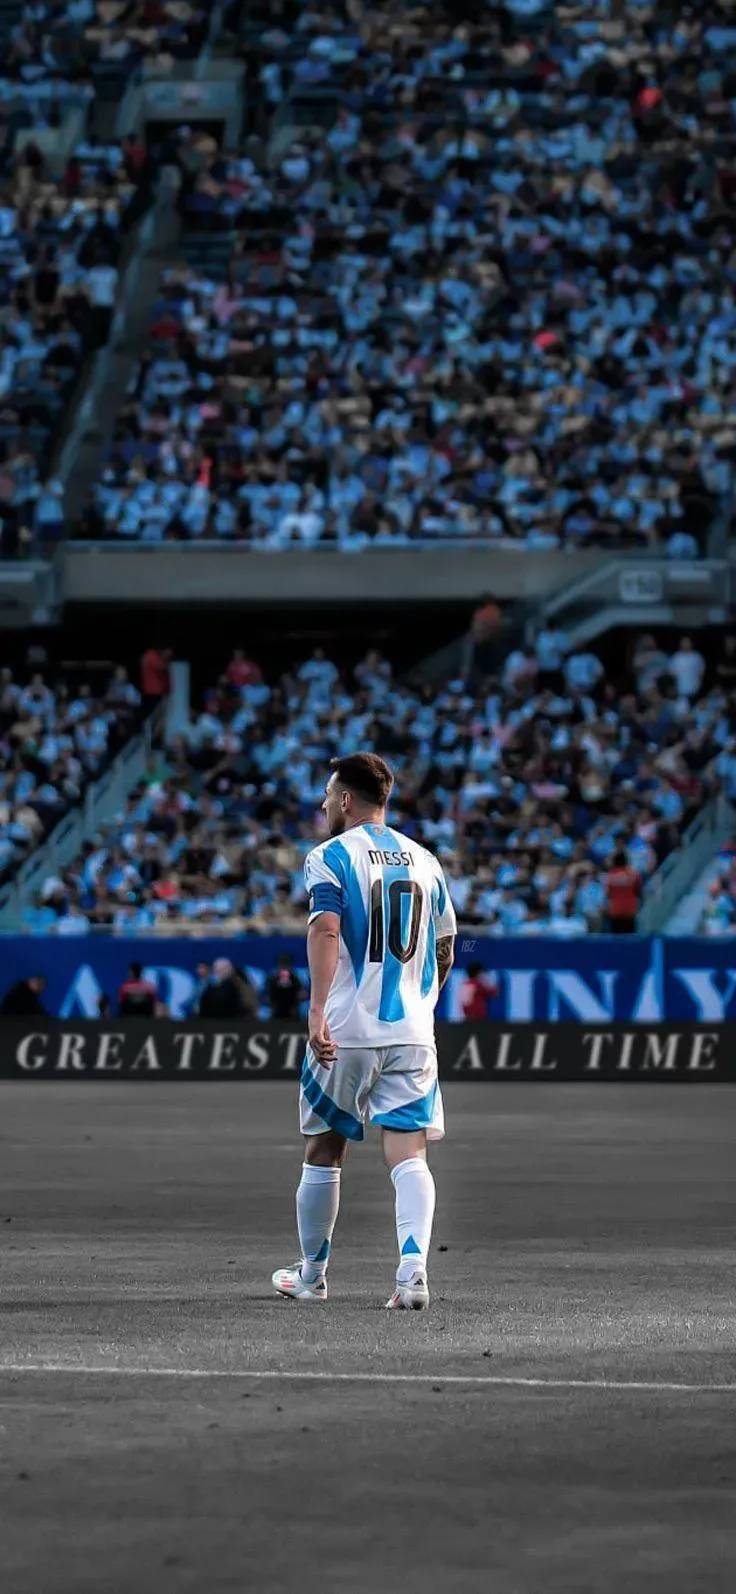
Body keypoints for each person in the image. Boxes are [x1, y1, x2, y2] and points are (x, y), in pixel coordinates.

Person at [272, 751, 456, 1311]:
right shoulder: (426, 861)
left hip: (348, 1028)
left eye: (328, 795)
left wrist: (316, 1011)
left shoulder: (329, 856)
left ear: (346, 801)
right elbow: (447, 946)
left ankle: (312, 1277)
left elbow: (326, 930)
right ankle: (412, 1275)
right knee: (409, 1154)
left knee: (324, 1149)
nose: (324, 803)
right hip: (412, 1031)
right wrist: (425, 1002)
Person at [604, 850, 642, 935]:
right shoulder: (634, 875)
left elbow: (608, 894)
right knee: (630, 939)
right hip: (629, 911)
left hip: (615, 912)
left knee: (616, 940)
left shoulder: (610, 876)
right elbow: (638, 891)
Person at [265, 954, 304, 1020]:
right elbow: (268, 994)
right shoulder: (273, 978)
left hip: (292, 1010)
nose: (284, 967)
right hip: (276, 1010)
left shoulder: (294, 978)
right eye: (282, 964)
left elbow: (301, 994)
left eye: (286, 964)